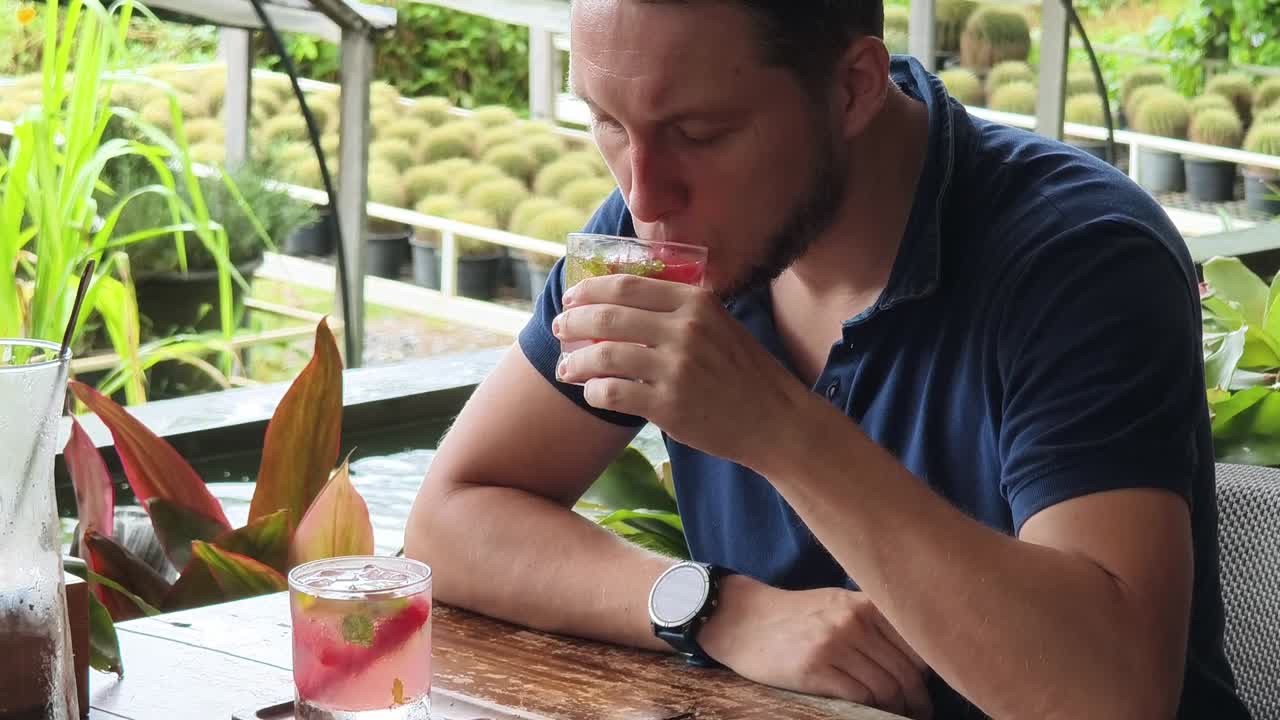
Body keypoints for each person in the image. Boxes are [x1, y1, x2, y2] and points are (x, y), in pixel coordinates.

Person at [405, 1, 1252, 717]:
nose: (643, 192)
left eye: (699, 131)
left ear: (851, 88)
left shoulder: (1080, 258)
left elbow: (1109, 695)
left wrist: (778, 428)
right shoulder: (662, 229)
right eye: (607, 123)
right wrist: (721, 610)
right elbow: (451, 519)